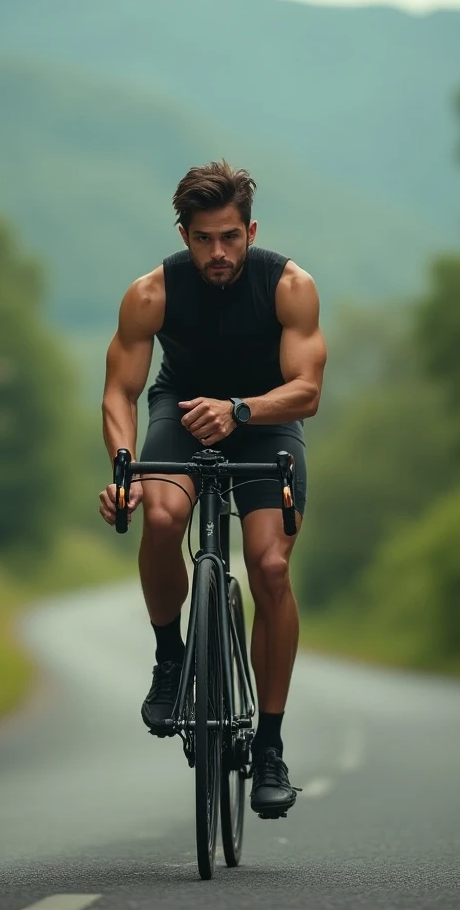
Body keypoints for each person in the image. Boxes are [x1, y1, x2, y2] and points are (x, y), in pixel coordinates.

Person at [99, 159, 326, 818]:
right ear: (184, 234)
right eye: (203, 239)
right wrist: (122, 466)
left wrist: (242, 410)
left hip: (264, 421)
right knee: (164, 518)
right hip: (181, 410)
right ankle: (171, 659)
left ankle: (273, 748)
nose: (218, 252)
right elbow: (120, 389)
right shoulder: (151, 293)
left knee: (271, 565)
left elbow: (307, 390)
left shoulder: (289, 285)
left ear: (249, 230)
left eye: (230, 237)